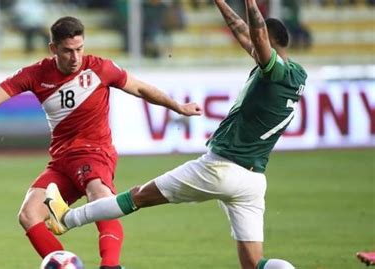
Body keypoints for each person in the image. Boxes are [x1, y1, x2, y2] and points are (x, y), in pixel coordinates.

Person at [0, 16, 202, 269]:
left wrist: (178, 107)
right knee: (29, 215)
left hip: (94, 152)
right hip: (61, 160)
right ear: (53, 48)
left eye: (80, 49)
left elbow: (140, 87)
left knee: (100, 196)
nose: (76, 57)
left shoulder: (100, 69)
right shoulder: (35, 75)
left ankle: (111, 265)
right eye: (68, 50)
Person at [43, 1, 307, 269]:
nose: (251, 44)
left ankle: (67, 219)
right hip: (252, 180)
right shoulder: (296, 73)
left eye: (257, 42)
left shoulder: (273, 72)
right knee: (253, 264)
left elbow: (257, 34)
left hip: (222, 168)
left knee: (137, 197)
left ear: (267, 45)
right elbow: (243, 32)